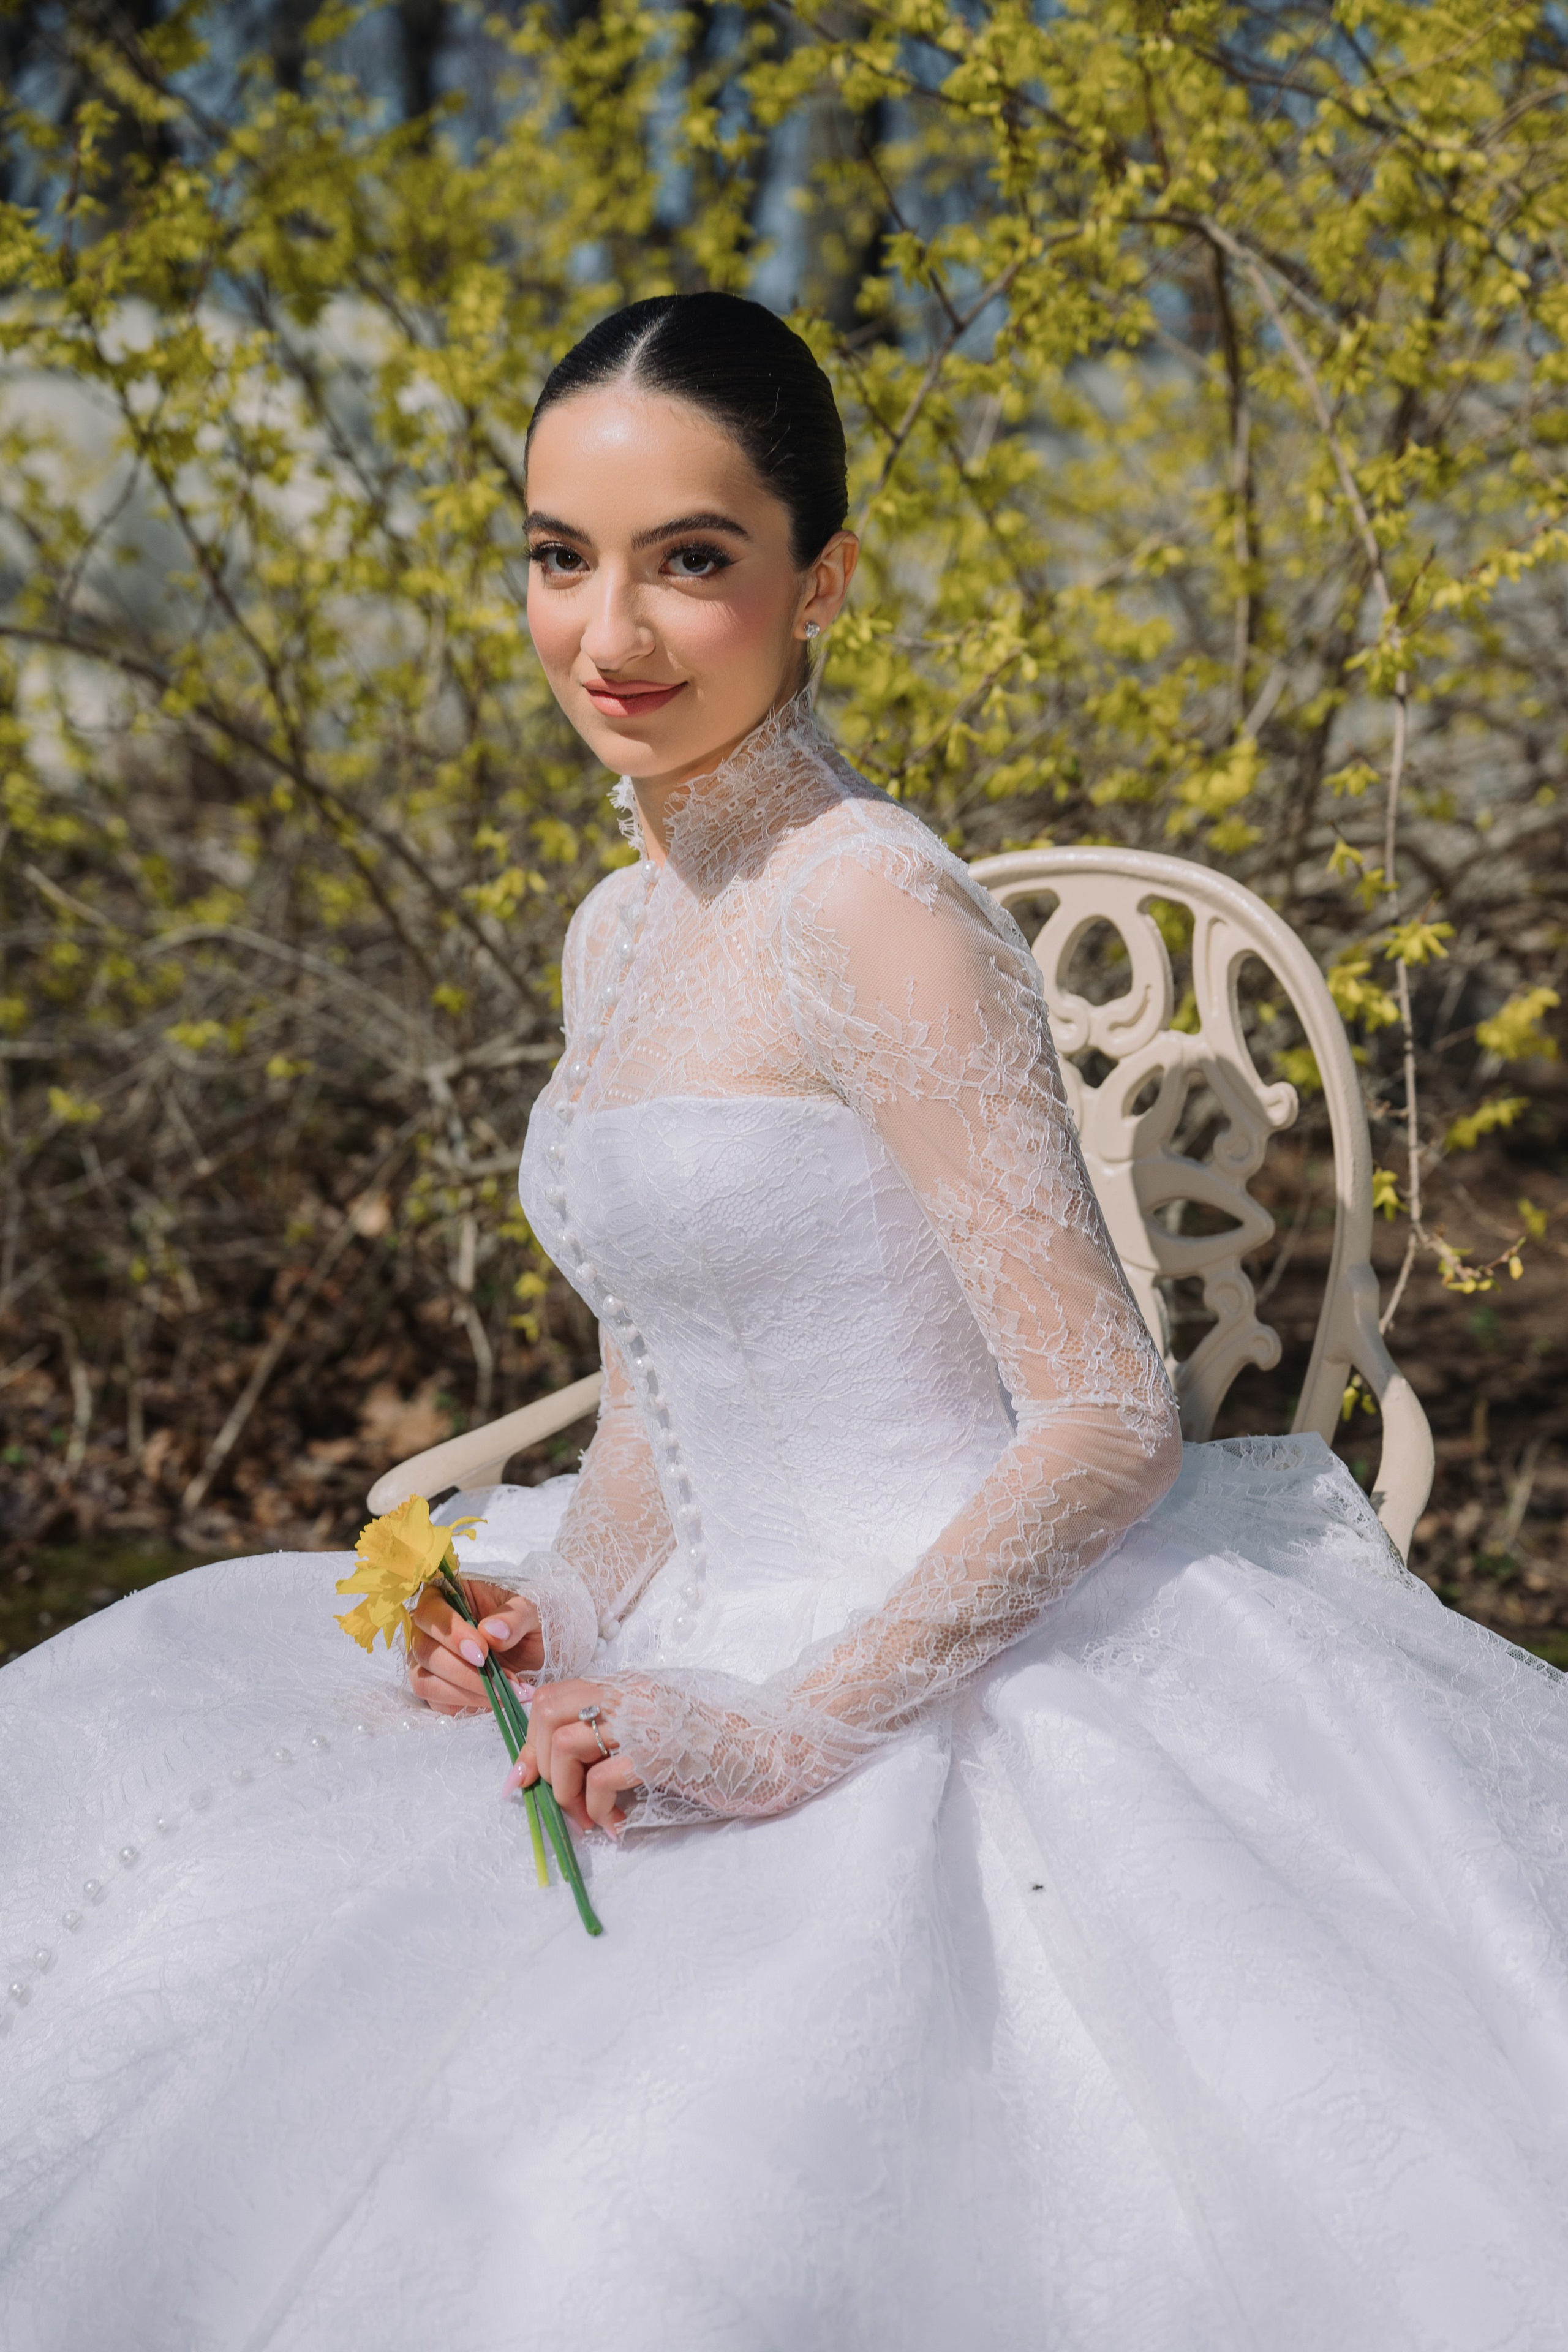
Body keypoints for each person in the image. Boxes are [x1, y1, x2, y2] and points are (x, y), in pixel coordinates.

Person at [2, 292, 1566, 2352]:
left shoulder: (871, 903)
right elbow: (678, 1370)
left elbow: (1104, 1415)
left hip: (954, 1651)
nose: (611, 634)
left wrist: (798, 1725)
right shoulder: (625, 917)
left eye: (692, 560)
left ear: (821, 577)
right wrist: (569, 1592)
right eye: (561, 556)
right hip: (684, 1632)